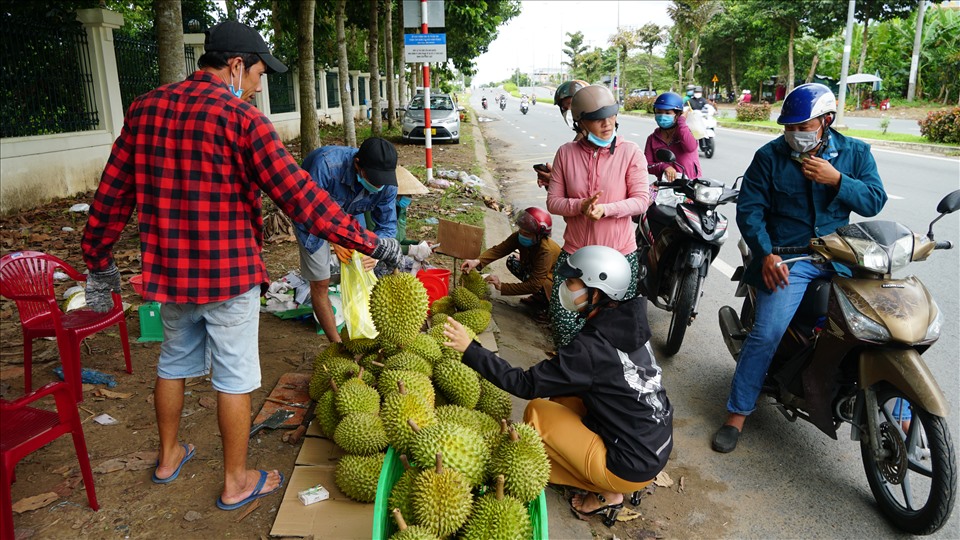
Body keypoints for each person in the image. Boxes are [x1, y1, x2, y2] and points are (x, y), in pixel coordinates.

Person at [79, 20, 402, 511]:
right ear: (235, 66)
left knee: (172, 363)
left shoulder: (145, 109)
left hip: (169, 273)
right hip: (228, 275)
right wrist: (372, 245)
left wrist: (97, 261)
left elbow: (112, 194)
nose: (257, 85)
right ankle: (236, 480)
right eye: (256, 75)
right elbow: (301, 198)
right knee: (233, 377)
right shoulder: (242, 119)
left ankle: (168, 457)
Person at [711, 83, 887, 453]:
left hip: (842, 257)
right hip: (790, 258)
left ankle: (898, 411)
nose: (794, 134)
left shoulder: (855, 153)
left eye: (802, 126)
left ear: (826, 120)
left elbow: (874, 201)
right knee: (767, 333)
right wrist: (765, 255)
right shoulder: (769, 156)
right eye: (789, 127)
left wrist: (837, 180)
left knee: (884, 324)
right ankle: (737, 413)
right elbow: (750, 209)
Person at [443, 245, 672, 523]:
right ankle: (601, 473)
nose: (565, 286)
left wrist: (470, 349)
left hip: (626, 466)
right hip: (653, 445)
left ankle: (605, 494)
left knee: (537, 411)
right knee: (562, 396)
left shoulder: (591, 349)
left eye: (572, 281)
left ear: (595, 292)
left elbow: (525, 384)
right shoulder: (629, 328)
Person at [546, 84, 650, 349]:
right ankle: (571, 382)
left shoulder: (630, 152)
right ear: (580, 122)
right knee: (565, 327)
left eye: (611, 115)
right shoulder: (565, 154)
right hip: (576, 255)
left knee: (613, 336)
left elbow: (641, 200)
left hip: (618, 256)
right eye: (596, 118)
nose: (607, 123)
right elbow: (553, 202)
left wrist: (607, 209)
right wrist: (580, 206)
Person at [294, 138, 399, 343]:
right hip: (310, 215)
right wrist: (336, 240)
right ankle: (337, 344)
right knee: (320, 280)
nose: (378, 185)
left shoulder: (386, 184)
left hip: (352, 209)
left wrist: (376, 254)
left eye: (382, 180)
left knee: (359, 265)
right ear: (357, 163)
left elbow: (387, 226)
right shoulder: (325, 167)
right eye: (373, 178)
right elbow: (311, 212)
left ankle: (359, 329)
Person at [460, 207, 561, 314]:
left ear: (539, 236)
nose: (522, 235)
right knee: (512, 261)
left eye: (526, 234)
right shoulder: (519, 237)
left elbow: (534, 284)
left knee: (537, 283)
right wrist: (477, 261)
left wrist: (502, 287)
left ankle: (545, 306)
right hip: (536, 271)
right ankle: (538, 297)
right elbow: (500, 250)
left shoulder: (546, 251)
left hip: (553, 283)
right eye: (521, 230)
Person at [534, 80, 590, 189]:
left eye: (573, 105)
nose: (569, 111)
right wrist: (553, 178)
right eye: (565, 107)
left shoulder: (597, 140)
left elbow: (594, 184)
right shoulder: (575, 143)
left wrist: (556, 181)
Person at [644, 92, 702, 183]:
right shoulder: (652, 139)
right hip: (665, 186)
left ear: (678, 115)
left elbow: (690, 148)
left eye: (667, 113)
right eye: (659, 112)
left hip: (689, 184)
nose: (662, 116)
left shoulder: (686, 132)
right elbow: (647, 165)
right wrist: (664, 167)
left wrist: (682, 122)